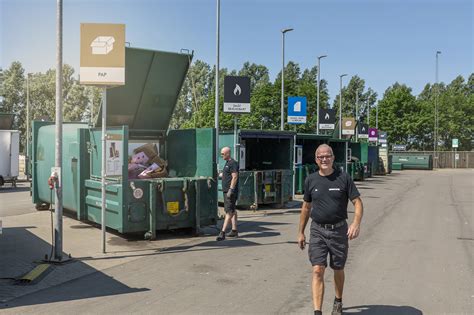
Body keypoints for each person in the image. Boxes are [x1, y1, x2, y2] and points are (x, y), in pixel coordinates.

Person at [297, 144, 364, 315]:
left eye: (328, 156)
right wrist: (301, 232)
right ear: (316, 160)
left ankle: (338, 300)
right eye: (321, 157)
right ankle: (317, 311)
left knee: (338, 268)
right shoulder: (310, 180)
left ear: (333, 158)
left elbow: (357, 202)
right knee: (317, 269)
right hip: (317, 230)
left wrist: (356, 223)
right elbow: (306, 207)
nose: (324, 159)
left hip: (339, 231)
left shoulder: (344, 178)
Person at [216, 147, 239, 241]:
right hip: (226, 191)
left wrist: (231, 189)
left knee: (229, 212)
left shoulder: (233, 163)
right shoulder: (227, 163)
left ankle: (223, 232)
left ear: (228, 154)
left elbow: (235, 177)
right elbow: (226, 175)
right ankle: (234, 230)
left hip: (230, 192)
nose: (221, 156)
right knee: (232, 210)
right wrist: (218, 174)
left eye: (222, 154)